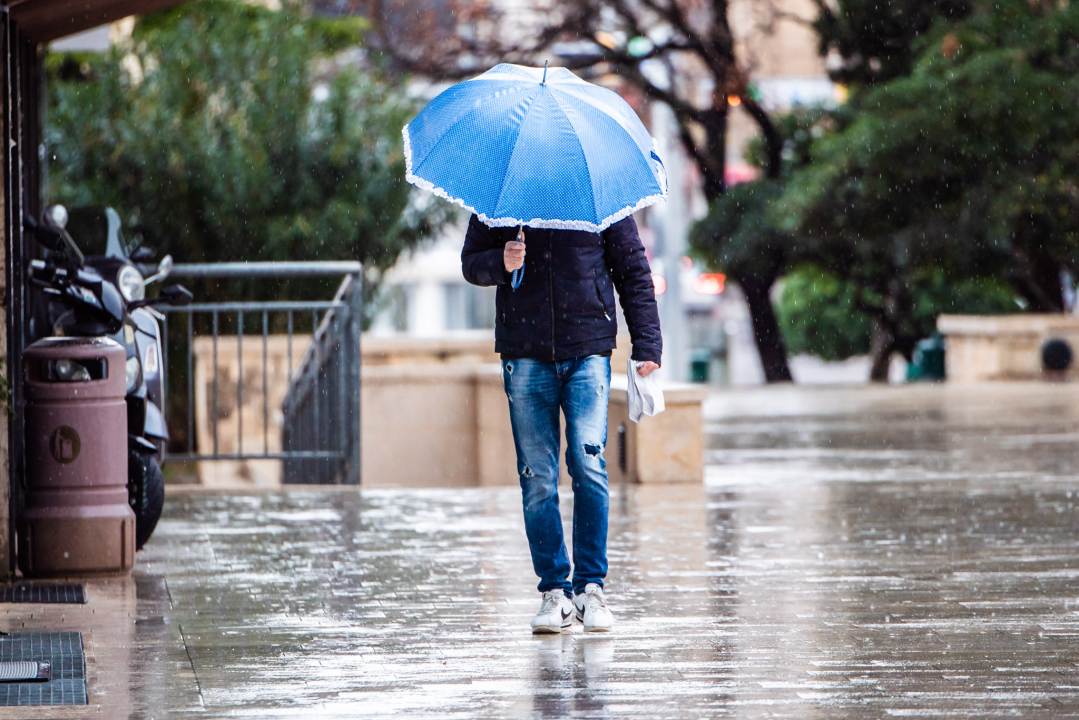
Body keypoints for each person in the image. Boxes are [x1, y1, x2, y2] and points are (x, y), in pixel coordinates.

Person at [461, 214, 662, 633]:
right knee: (537, 476)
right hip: (524, 349)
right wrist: (501, 260)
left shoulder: (596, 192)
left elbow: (632, 267)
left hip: (588, 348)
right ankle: (555, 591)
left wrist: (647, 344)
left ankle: (591, 588)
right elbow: (470, 262)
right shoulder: (506, 197)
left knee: (589, 464)